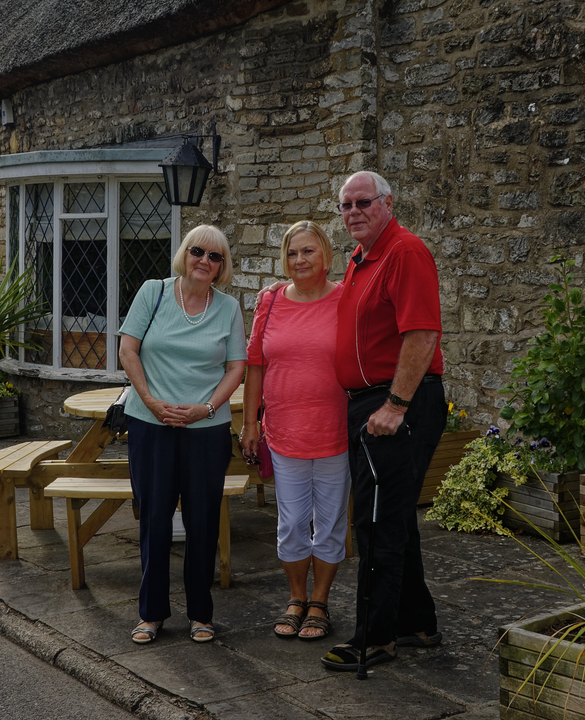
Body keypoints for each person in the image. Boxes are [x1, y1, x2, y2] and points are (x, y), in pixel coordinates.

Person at [319, 171, 445, 671]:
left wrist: (394, 405)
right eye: (345, 204)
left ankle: (374, 639)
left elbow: (421, 335)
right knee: (394, 516)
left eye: (363, 202)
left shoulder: (405, 252)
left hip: (395, 404)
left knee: (375, 521)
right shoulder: (361, 257)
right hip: (370, 401)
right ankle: (417, 622)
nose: (353, 212)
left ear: (388, 202)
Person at [117, 225, 246, 646]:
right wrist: (152, 402)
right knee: (153, 518)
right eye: (198, 252)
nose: (205, 261)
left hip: (205, 429)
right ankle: (151, 614)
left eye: (215, 257)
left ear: (222, 266)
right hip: (150, 424)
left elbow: (236, 368)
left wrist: (206, 408)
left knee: (202, 521)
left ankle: (201, 614)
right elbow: (127, 349)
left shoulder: (228, 308)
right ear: (184, 254)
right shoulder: (152, 292)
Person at [239, 220, 348, 642]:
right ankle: (296, 597)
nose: (299, 260)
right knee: (291, 524)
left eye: (308, 251)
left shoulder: (345, 297)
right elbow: (255, 365)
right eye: (291, 252)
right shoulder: (270, 301)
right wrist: (250, 423)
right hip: (284, 433)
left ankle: (320, 601)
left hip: (335, 431)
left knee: (331, 522)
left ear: (325, 255)